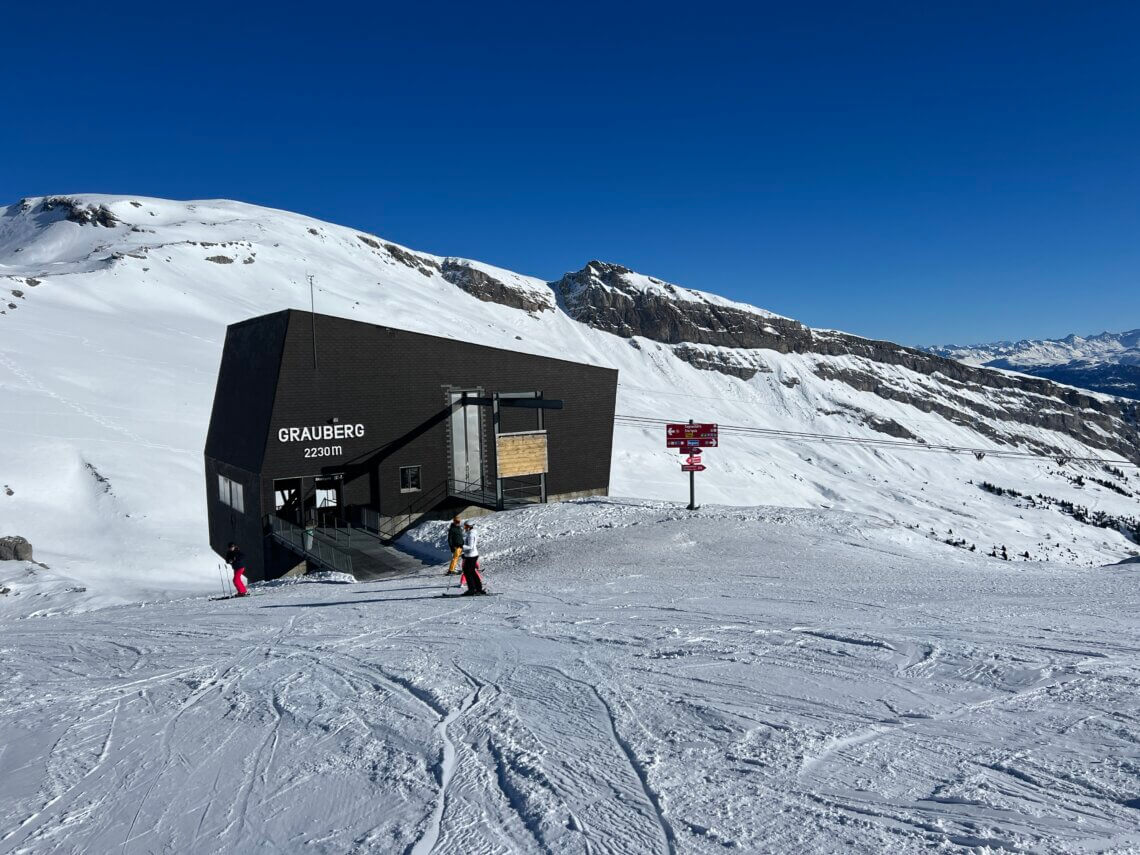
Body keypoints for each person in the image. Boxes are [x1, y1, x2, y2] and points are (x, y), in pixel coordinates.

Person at [460, 521, 485, 595]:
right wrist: (464, 554)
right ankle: (478, 589)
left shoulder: (471, 534)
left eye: (465, 526)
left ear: (469, 526)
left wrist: (460, 546)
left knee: (468, 572)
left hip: (471, 556)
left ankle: (472, 589)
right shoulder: (470, 533)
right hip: (470, 555)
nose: (464, 528)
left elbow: (471, 547)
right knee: (471, 572)